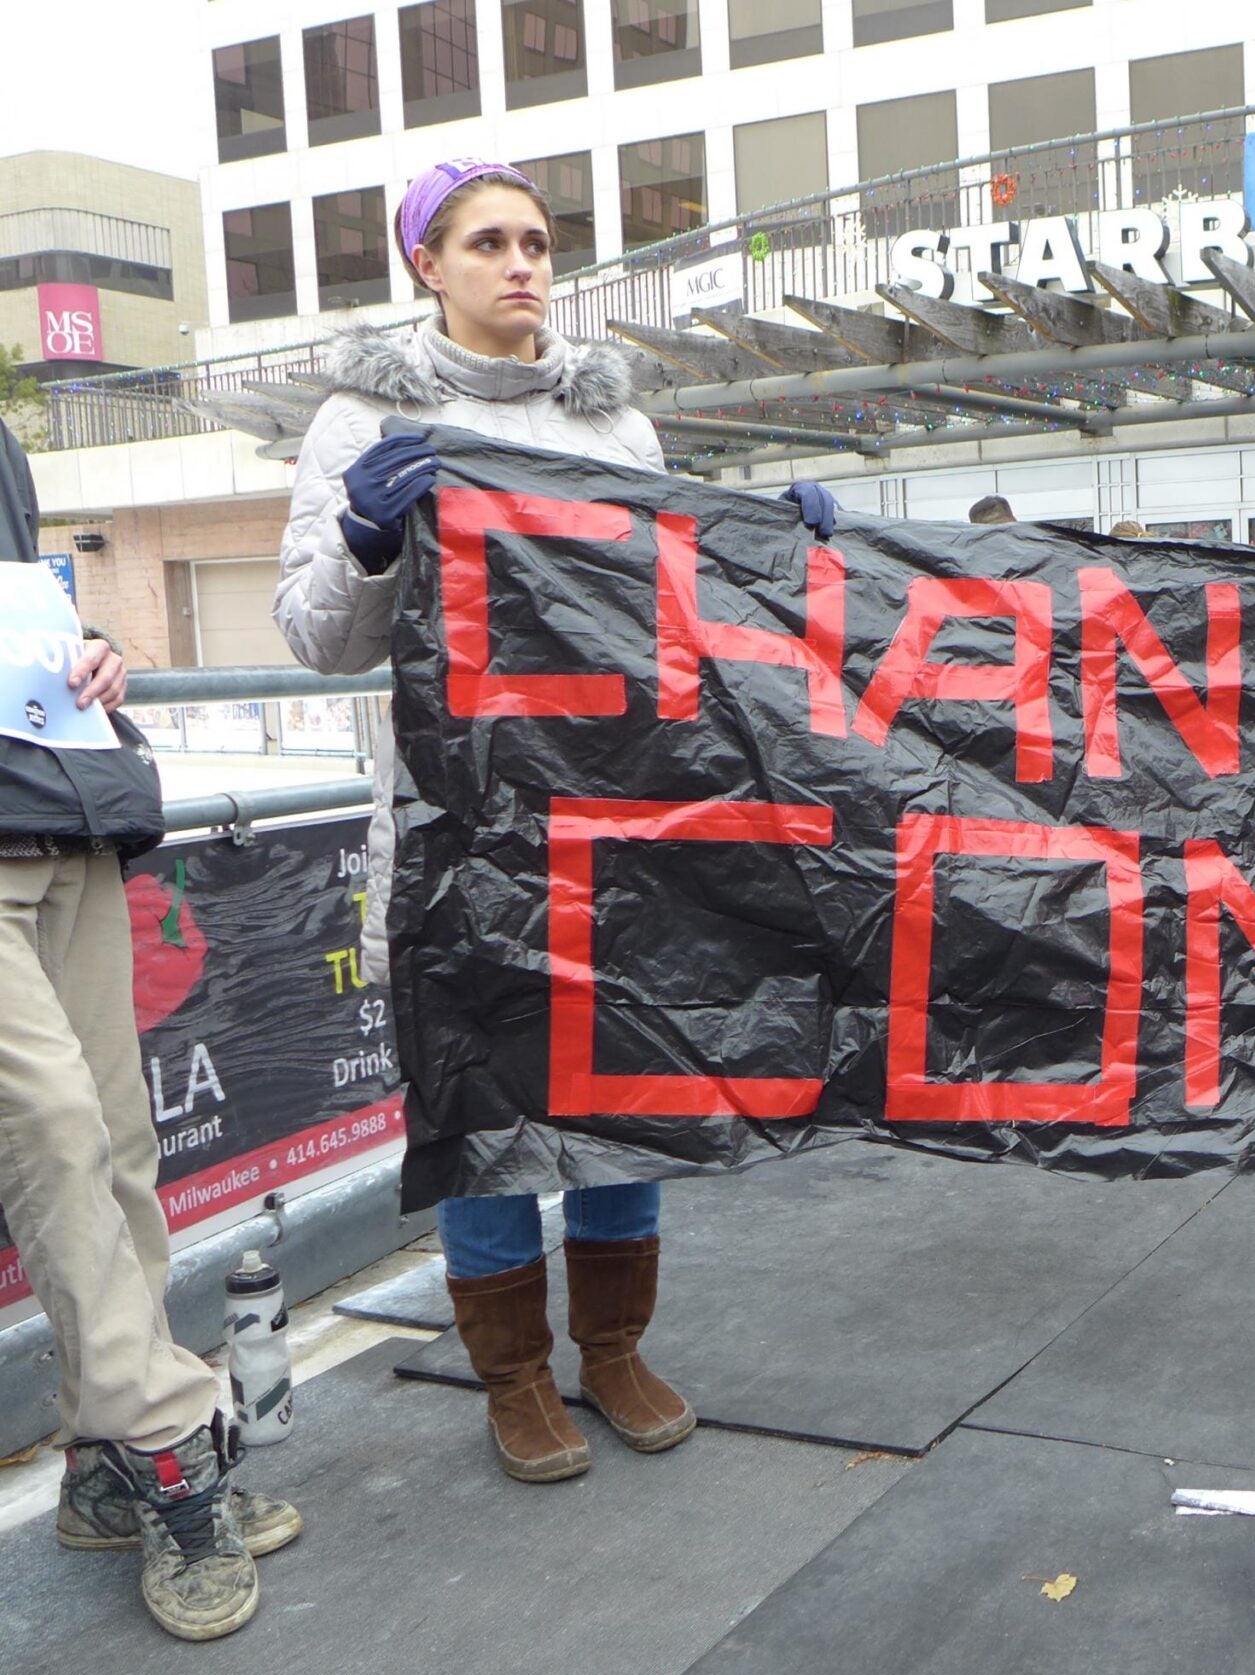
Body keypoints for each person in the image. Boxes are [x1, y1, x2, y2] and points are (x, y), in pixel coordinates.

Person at [273, 158, 836, 1480]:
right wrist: (365, 543)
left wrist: (785, 550)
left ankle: (617, 1351)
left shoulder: (619, 432)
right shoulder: (362, 423)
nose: (523, 264)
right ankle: (515, 1377)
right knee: (484, 1098)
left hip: (616, 821)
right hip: (457, 829)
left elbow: (677, 615)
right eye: (488, 243)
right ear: (429, 264)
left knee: (622, 1082)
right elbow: (312, 638)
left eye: (536, 241)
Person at [0, 419, 301, 1641]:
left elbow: (27, 605)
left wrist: (91, 655)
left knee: (119, 1145)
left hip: (60, 804)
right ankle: (172, 1446)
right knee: (58, 1132)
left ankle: (98, 1463)